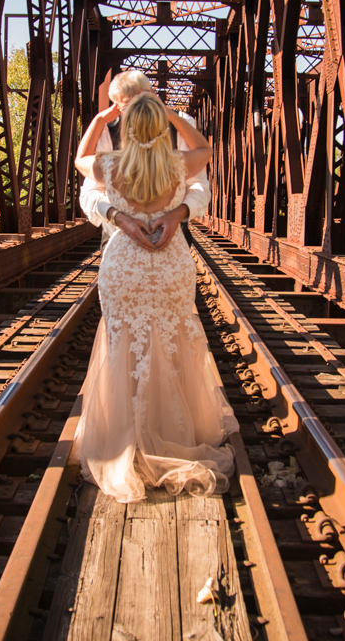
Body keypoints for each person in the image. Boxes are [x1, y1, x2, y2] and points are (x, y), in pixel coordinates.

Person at [73, 91, 239, 502]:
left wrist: (101, 118)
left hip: (124, 265)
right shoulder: (178, 164)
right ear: (161, 127)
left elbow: (79, 158)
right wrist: (174, 115)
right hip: (169, 263)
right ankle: (172, 432)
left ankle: (125, 439)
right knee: (172, 339)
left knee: (124, 344)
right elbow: (206, 149)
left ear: (127, 128)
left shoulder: (109, 165)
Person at [78, 70, 210, 251]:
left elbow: (198, 185)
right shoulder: (106, 131)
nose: (139, 109)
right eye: (129, 105)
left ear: (153, 94)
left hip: (171, 235)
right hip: (117, 237)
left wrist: (178, 215)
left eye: (142, 99)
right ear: (117, 106)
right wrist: (118, 218)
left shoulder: (182, 124)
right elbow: (91, 192)